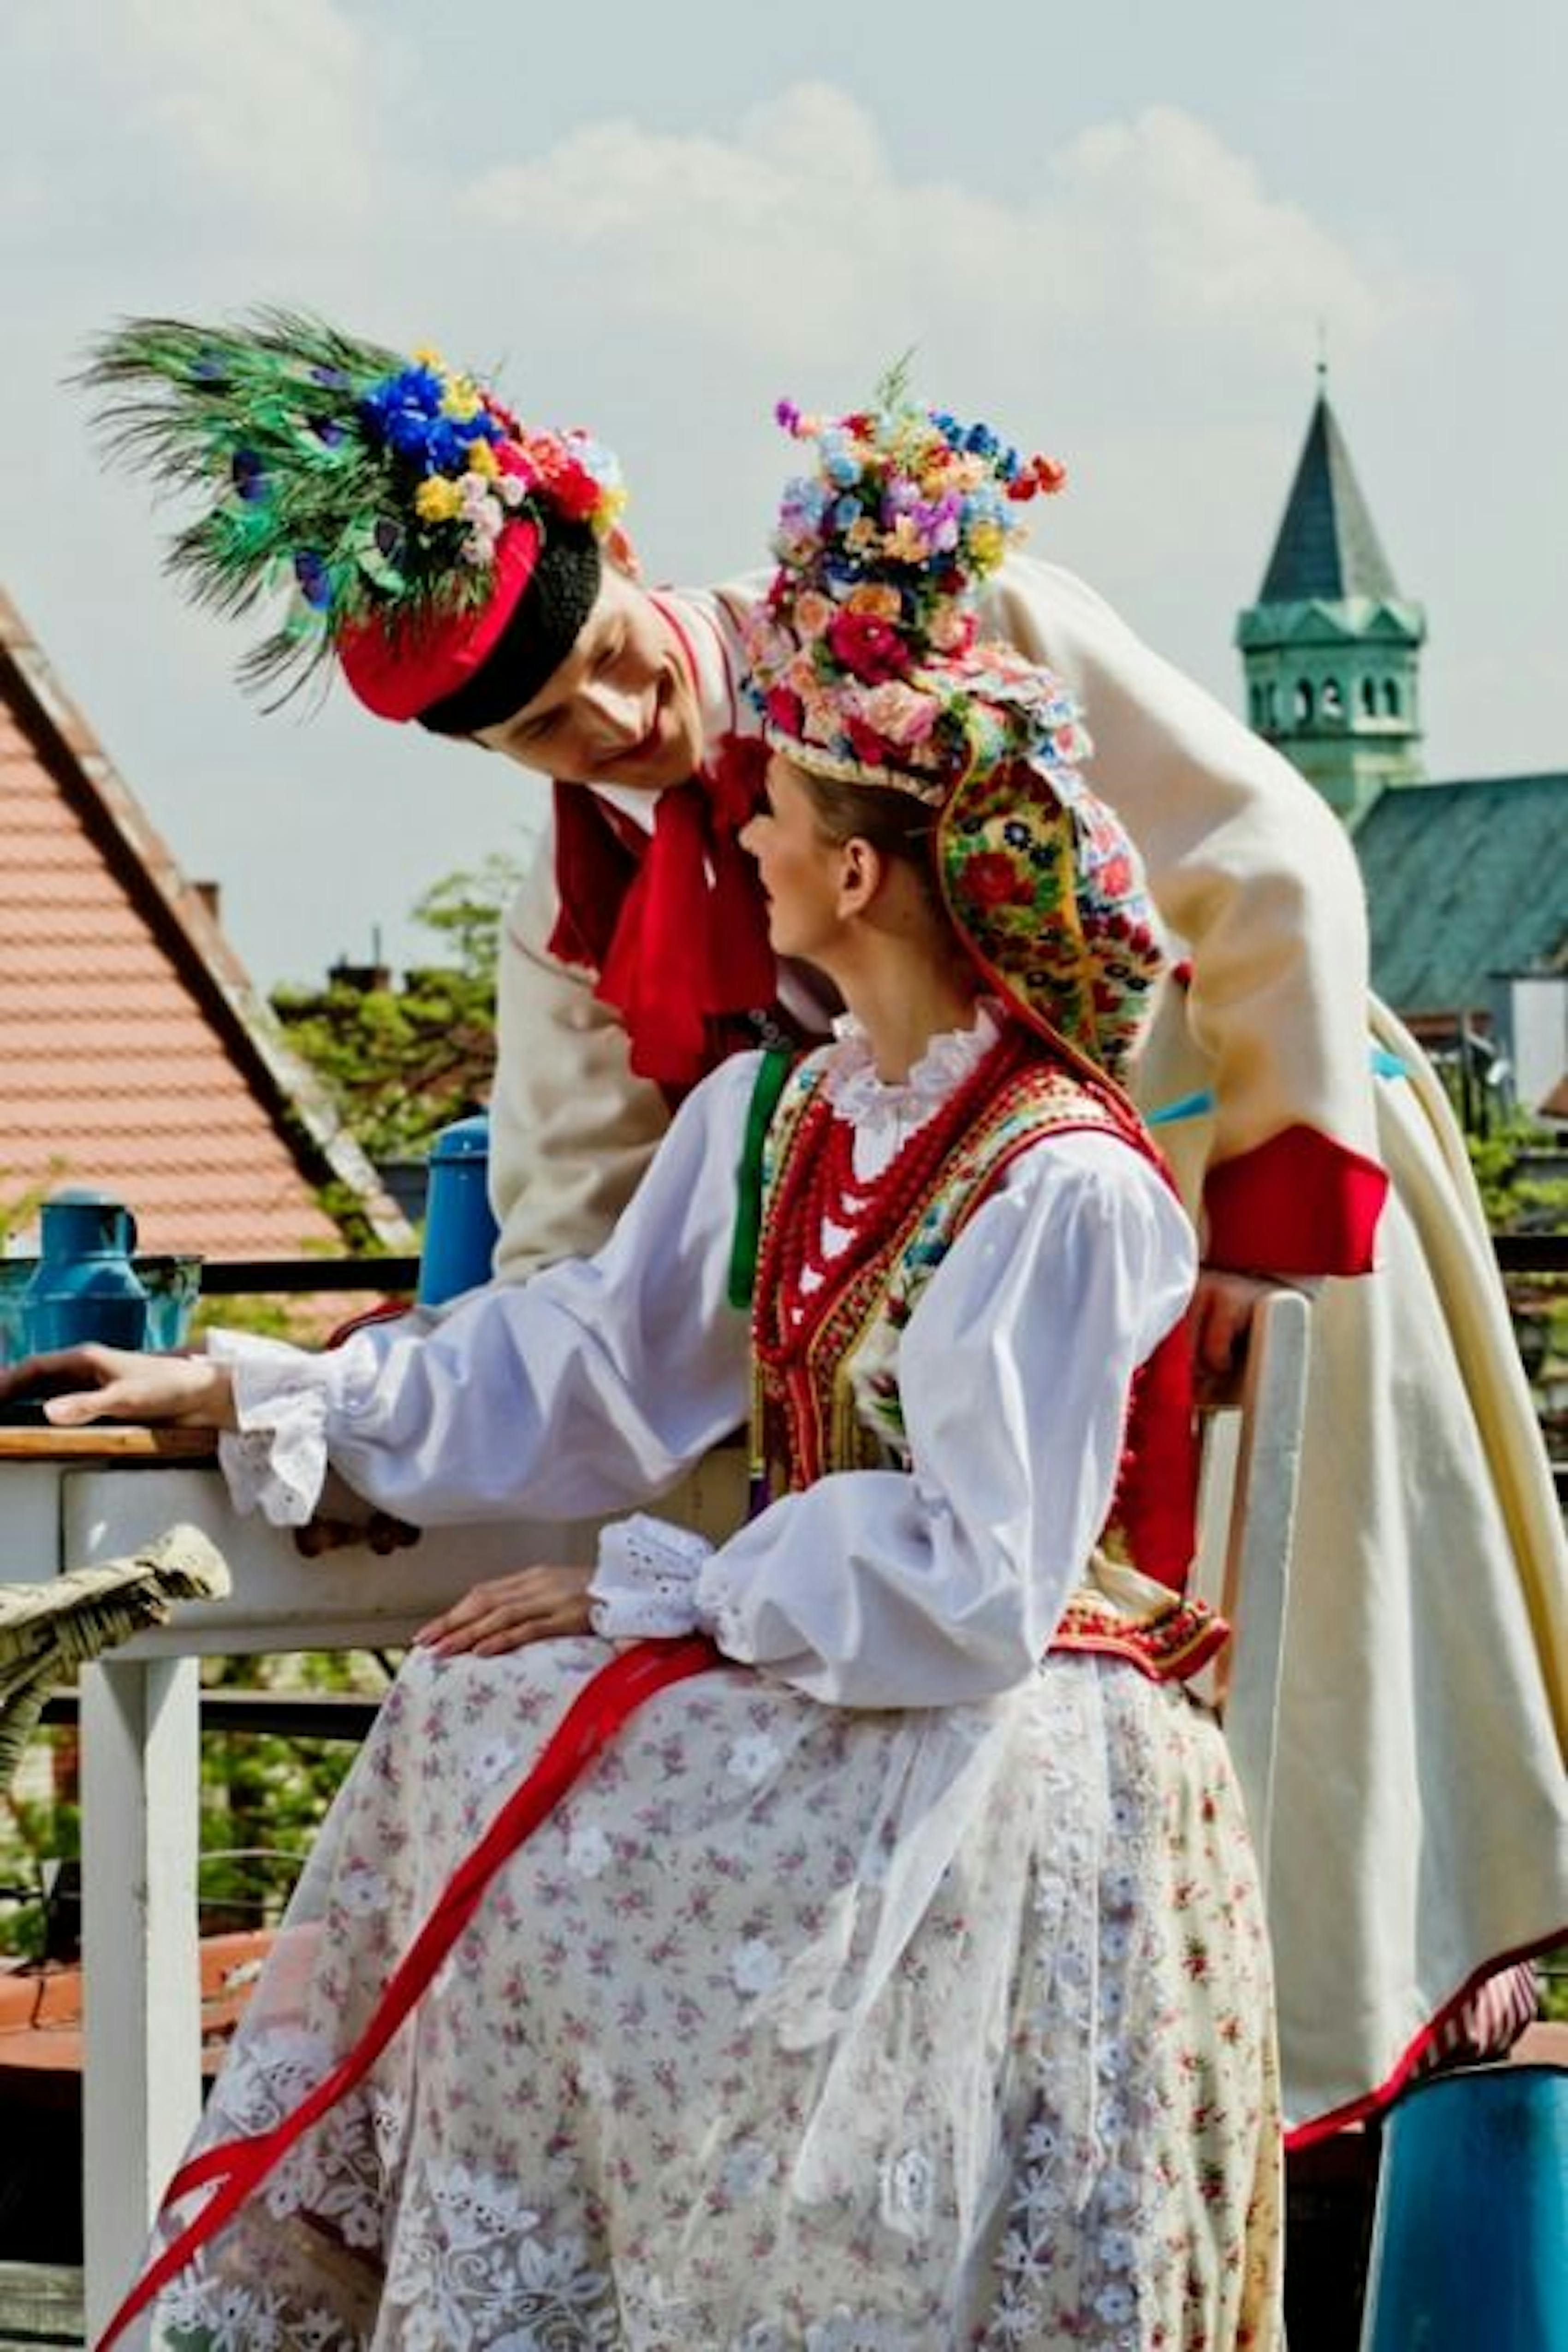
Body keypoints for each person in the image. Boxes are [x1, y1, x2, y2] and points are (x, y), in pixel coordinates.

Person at [83, 317, 1567, 2141]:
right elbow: (600, 1277)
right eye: (550, 727)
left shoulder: (928, 628)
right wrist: (297, 1401)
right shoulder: (595, 924)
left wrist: (1266, 1221)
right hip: (946, 1318)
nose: (621, 727)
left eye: (615, 667)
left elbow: (1268, 859)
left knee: (1322, 1653)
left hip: (1232, 1151)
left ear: (625, 561)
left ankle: (1329, 2042)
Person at [6, 408, 1284, 2346]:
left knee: (539, 1734)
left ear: (857, 877)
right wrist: (283, 1393)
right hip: (846, 1662)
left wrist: (668, 1594)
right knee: (476, 1711)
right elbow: (595, 1352)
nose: (729, 824)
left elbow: (977, 1580)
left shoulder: (1062, 1180)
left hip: (991, 1704)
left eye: (776, 816)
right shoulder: (779, 1116)